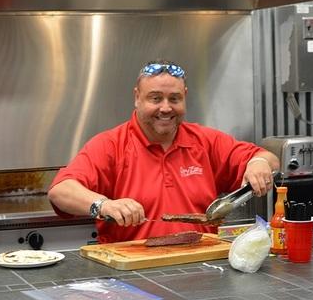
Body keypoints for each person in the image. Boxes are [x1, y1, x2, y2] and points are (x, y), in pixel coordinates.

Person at [48, 60, 280, 243]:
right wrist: (104, 205)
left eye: (174, 99)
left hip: (203, 268)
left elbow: (268, 159)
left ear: (185, 97)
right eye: (155, 98)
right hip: (131, 272)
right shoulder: (111, 145)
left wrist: (258, 163)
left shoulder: (205, 141)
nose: (166, 108)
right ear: (137, 97)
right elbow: (60, 190)